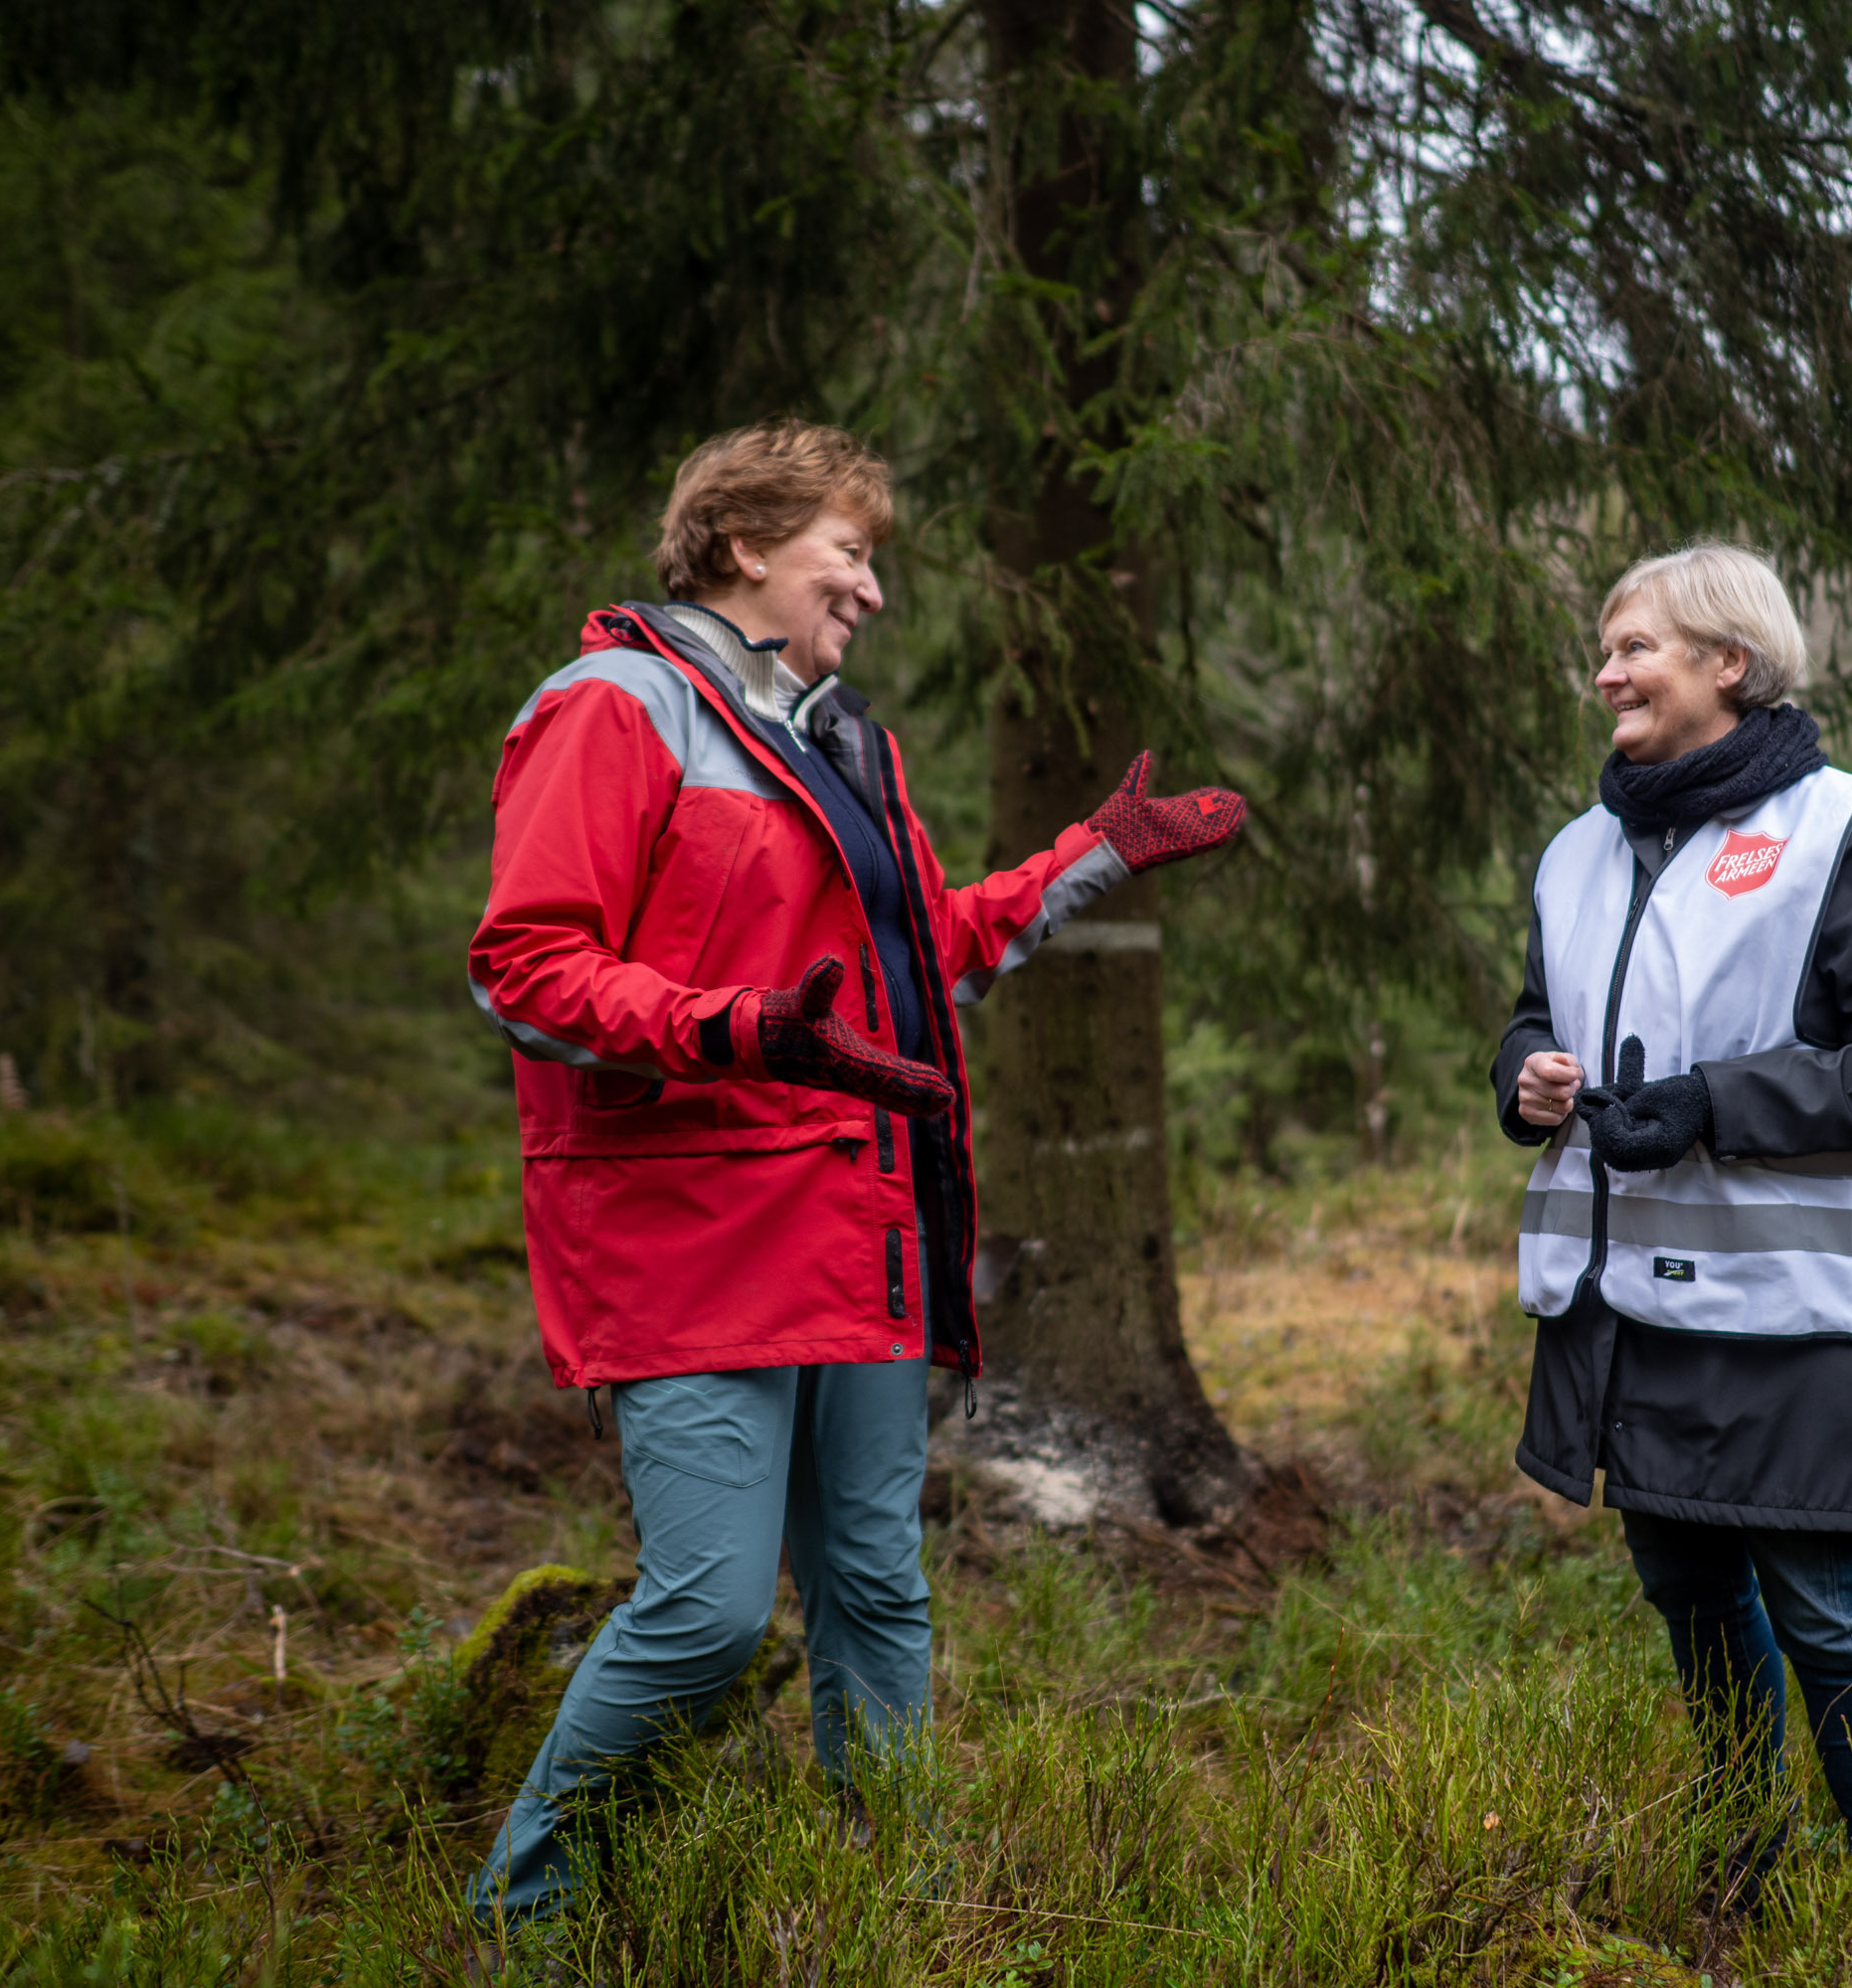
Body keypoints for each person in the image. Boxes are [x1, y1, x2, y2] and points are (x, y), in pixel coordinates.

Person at [463, 418, 1245, 1923]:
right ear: (745, 544)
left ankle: (895, 1902)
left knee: (879, 1591)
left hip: (863, 1234)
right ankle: (524, 1918)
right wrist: (737, 1026)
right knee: (706, 1615)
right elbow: (527, 969)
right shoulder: (612, 707)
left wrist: (1093, 853)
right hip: (694, 1242)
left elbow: (916, 958)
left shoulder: (841, 742)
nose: (874, 590)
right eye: (851, 552)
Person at [1492, 542, 1852, 1911]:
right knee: (1689, 1596)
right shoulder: (1576, 852)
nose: (1606, 673)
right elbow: (1534, 1017)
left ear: (1729, 664)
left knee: (1825, 1612)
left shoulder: (1846, 831)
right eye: (1604, 649)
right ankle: (1744, 1862)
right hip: (1619, 1312)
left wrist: (1714, 1102)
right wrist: (1525, 1078)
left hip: (1776, 1319)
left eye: (1635, 647)